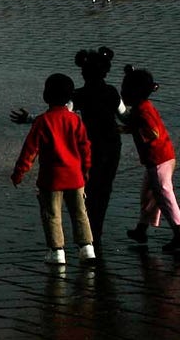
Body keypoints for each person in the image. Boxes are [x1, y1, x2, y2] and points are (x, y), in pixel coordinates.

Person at [11, 48, 124, 231]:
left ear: (84, 73)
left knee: (90, 188)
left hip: (91, 145)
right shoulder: (112, 92)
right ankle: (96, 230)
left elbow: (58, 116)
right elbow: (124, 116)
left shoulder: (78, 95)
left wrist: (30, 118)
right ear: (105, 71)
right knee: (104, 188)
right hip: (112, 146)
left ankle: (90, 229)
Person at [11, 72, 95, 267]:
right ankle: (87, 248)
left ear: (46, 96)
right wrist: (87, 168)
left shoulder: (43, 121)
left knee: (52, 214)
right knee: (80, 212)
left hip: (51, 178)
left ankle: (57, 251)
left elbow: (30, 150)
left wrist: (19, 172)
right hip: (75, 177)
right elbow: (85, 146)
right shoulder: (75, 120)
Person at [123, 65, 180, 252]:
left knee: (163, 194)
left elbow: (153, 132)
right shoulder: (143, 107)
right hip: (161, 158)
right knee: (149, 195)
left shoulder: (142, 111)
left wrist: (133, 127)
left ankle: (179, 232)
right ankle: (141, 229)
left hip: (158, 159)